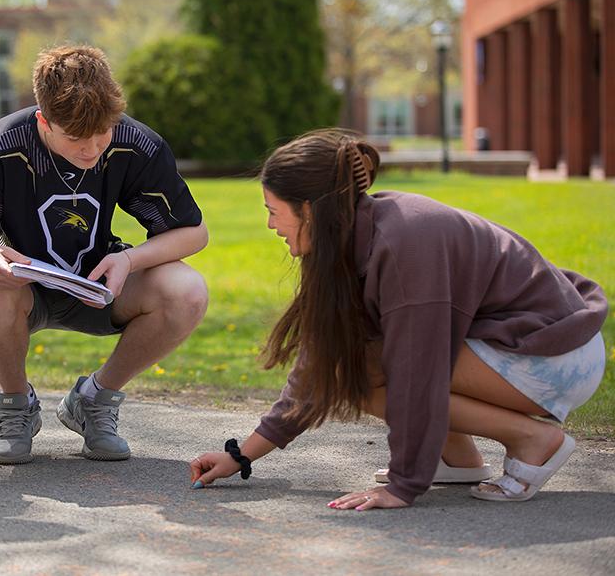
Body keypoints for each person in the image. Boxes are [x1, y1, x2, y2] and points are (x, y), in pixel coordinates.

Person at [189, 129, 607, 509]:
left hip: (557, 354)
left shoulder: (405, 245)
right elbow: (316, 366)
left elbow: (416, 369)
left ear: (311, 210)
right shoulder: (344, 242)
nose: (270, 224)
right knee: (348, 366)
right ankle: (455, 457)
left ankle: (534, 439)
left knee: (370, 365)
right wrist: (240, 455)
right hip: (511, 347)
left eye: (274, 210)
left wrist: (404, 485)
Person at [0, 45, 208, 464]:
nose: (91, 149)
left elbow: (194, 233)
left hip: (97, 284)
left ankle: (94, 401)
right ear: (43, 121)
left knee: (187, 290)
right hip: (19, 290)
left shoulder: (134, 141)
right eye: (75, 138)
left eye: (102, 132)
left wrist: (129, 261)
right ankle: (16, 405)